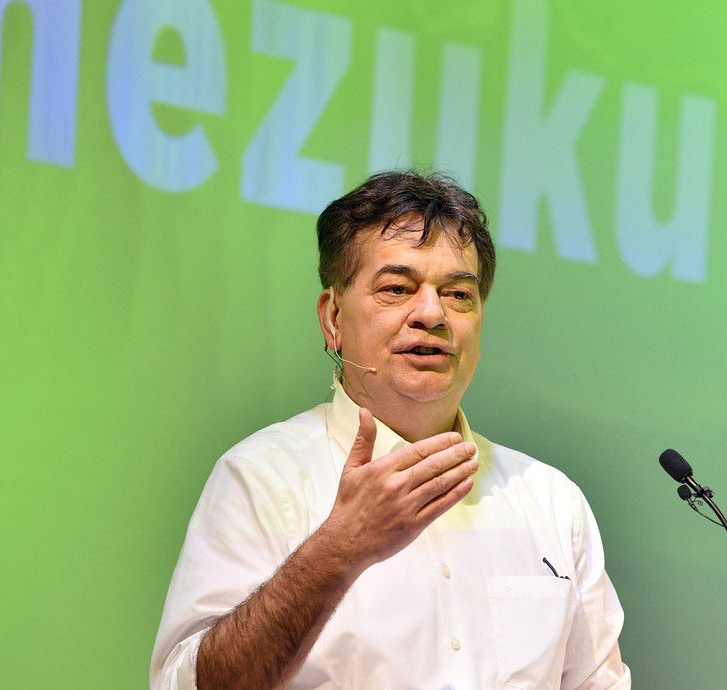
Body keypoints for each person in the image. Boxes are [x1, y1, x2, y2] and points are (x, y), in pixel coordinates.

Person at [150, 170, 631, 689]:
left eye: (458, 294)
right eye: (397, 289)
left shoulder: (551, 501)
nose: (432, 313)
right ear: (333, 318)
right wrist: (337, 550)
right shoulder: (263, 476)